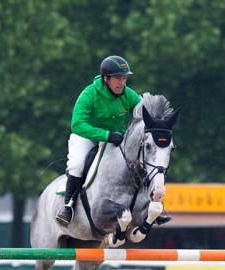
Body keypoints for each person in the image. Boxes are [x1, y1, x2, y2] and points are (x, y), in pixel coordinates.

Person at [55, 55, 172, 227]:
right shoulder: (89, 94)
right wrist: (106, 135)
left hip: (116, 139)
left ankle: (149, 207)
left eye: (124, 78)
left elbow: (145, 115)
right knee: (78, 164)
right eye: (118, 78)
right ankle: (68, 206)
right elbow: (77, 124)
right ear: (105, 78)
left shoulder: (128, 95)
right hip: (87, 137)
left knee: (139, 161)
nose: (122, 82)